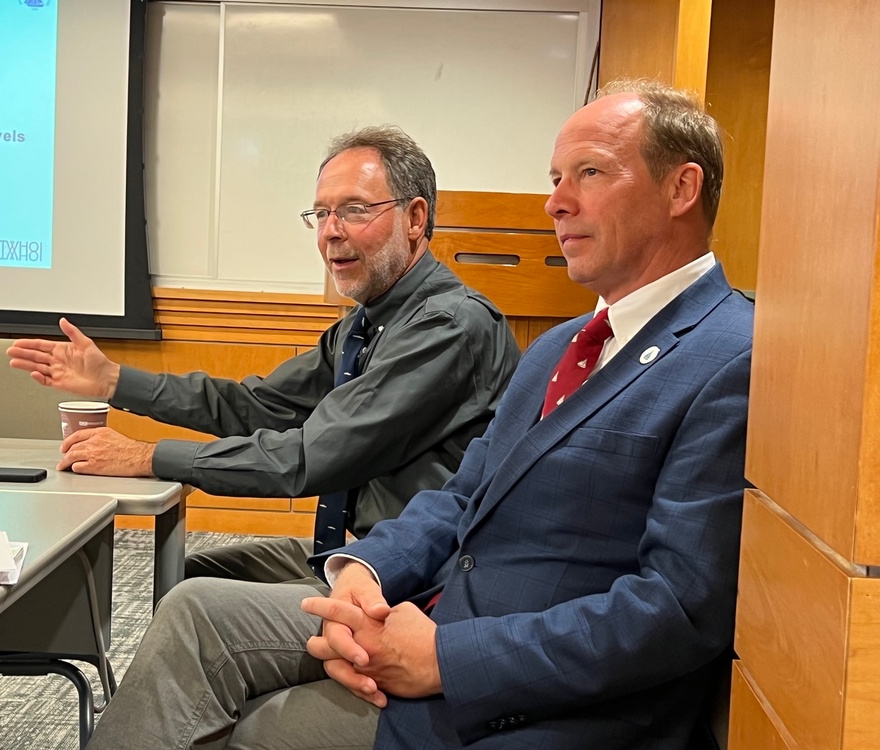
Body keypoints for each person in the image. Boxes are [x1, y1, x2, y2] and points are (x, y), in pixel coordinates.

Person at [84, 80, 754, 750]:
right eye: (555, 177)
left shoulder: (731, 355)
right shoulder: (556, 345)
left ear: (681, 188)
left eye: (590, 173)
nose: (556, 202)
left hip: (538, 697)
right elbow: (464, 493)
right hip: (428, 603)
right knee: (197, 609)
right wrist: (362, 572)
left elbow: (678, 609)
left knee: (264, 726)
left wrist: (447, 658)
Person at [8, 125, 519, 586]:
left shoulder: (447, 326)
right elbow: (256, 406)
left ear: (415, 218)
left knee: (194, 608)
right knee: (179, 576)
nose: (330, 231)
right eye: (321, 214)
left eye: (355, 209)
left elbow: (309, 457)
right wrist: (115, 381)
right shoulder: (364, 324)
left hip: (416, 576)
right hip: (356, 554)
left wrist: (147, 457)